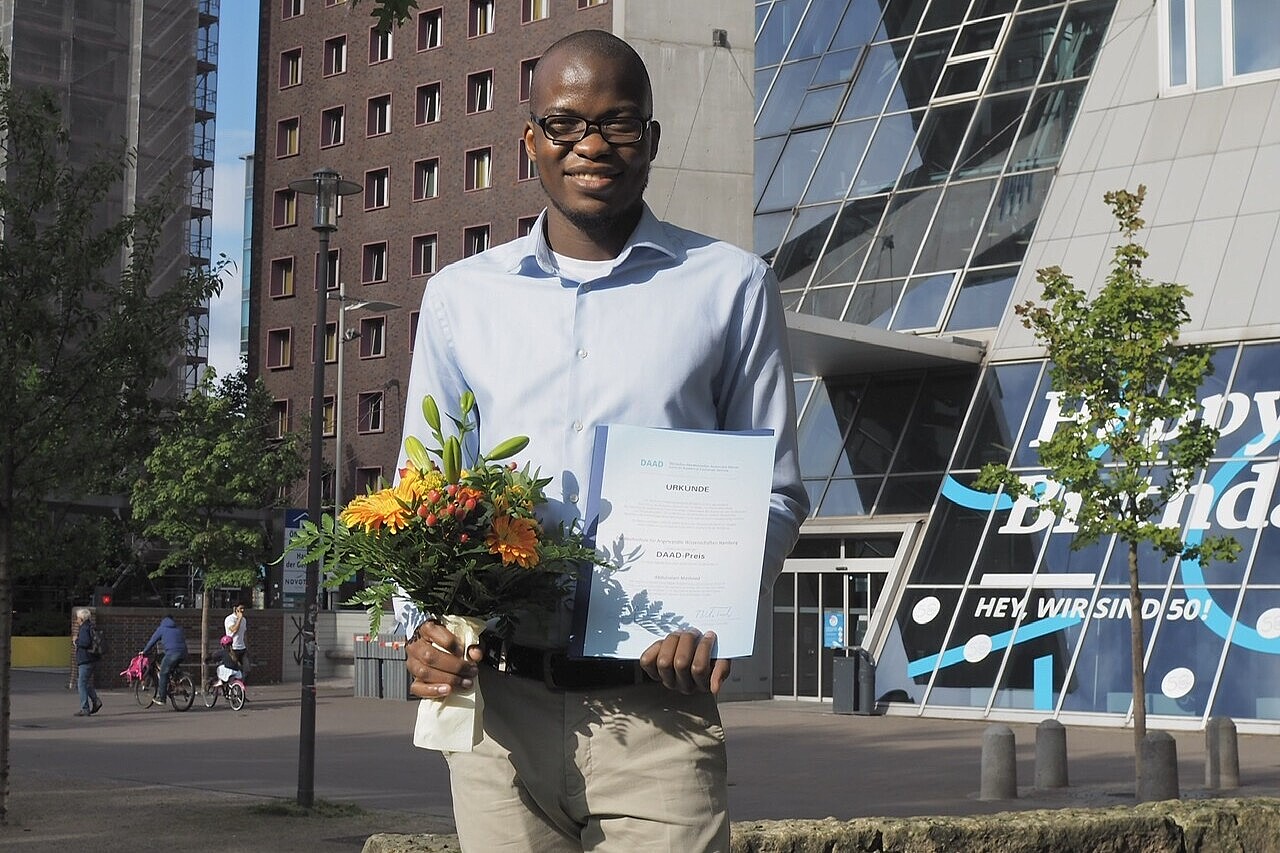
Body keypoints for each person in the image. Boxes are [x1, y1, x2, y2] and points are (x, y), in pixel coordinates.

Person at [399, 30, 808, 852]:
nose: (590, 144)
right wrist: (422, 625)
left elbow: (774, 488)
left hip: (654, 713)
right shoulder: (459, 300)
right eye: (564, 124)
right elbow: (421, 494)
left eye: (618, 123)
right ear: (531, 142)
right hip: (497, 715)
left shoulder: (730, 287)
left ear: (649, 139)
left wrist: (714, 609)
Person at [140, 614, 188, 705]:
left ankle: (162, 698)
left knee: (163, 672)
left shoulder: (162, 628)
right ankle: (176, 683)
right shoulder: (178, 628)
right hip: (183, 653)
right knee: (172, 667)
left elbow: (152, 641)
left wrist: (144, 651)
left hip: (172, 653)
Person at [72, 607, 103, 717]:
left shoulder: (84, 628)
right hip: (92, 659)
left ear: (81, 618)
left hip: (85, 659)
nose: (76, 620)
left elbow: (85, 642)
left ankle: (85, 708)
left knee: (81, 683)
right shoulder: (91, 626)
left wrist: (76, 640)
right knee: (85, 682)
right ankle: (96, 701)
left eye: (77, 618)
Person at [223, 602, 248, 671]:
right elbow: (234, 630)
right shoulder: (229, 619)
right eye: (240, 608)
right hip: (232, 648)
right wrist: (239, 618)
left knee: (246, 669)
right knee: (234, 669)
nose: (242, 610)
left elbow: (244, 634)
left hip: (242, 648)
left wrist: (247, 646)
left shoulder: (244, 620)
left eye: (243, 608)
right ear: (235, 609)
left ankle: (242, 681)